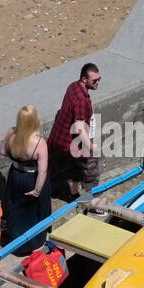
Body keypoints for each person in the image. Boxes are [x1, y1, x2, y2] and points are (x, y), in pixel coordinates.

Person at [0, 105, 51, 256]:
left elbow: (2, 152)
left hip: (15, 174)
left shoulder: (10, 134)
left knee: (15, 209)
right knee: (36, 211)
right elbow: (42, 170)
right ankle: (36, 243)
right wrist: (37, 190)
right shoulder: (39, 142)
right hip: (32, 178)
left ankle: (16, 243)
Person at [49, 63, 100, 198]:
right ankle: (92, 202)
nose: (98, 83)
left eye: (99, 79)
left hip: (60, 139)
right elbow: (79, 129)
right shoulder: (81, 100)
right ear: (84, 79)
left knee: (70, 168)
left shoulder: (73, 86)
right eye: (94, 80)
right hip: (73, 143)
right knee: (91, 171)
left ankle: (73, 194)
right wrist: (91, 146)